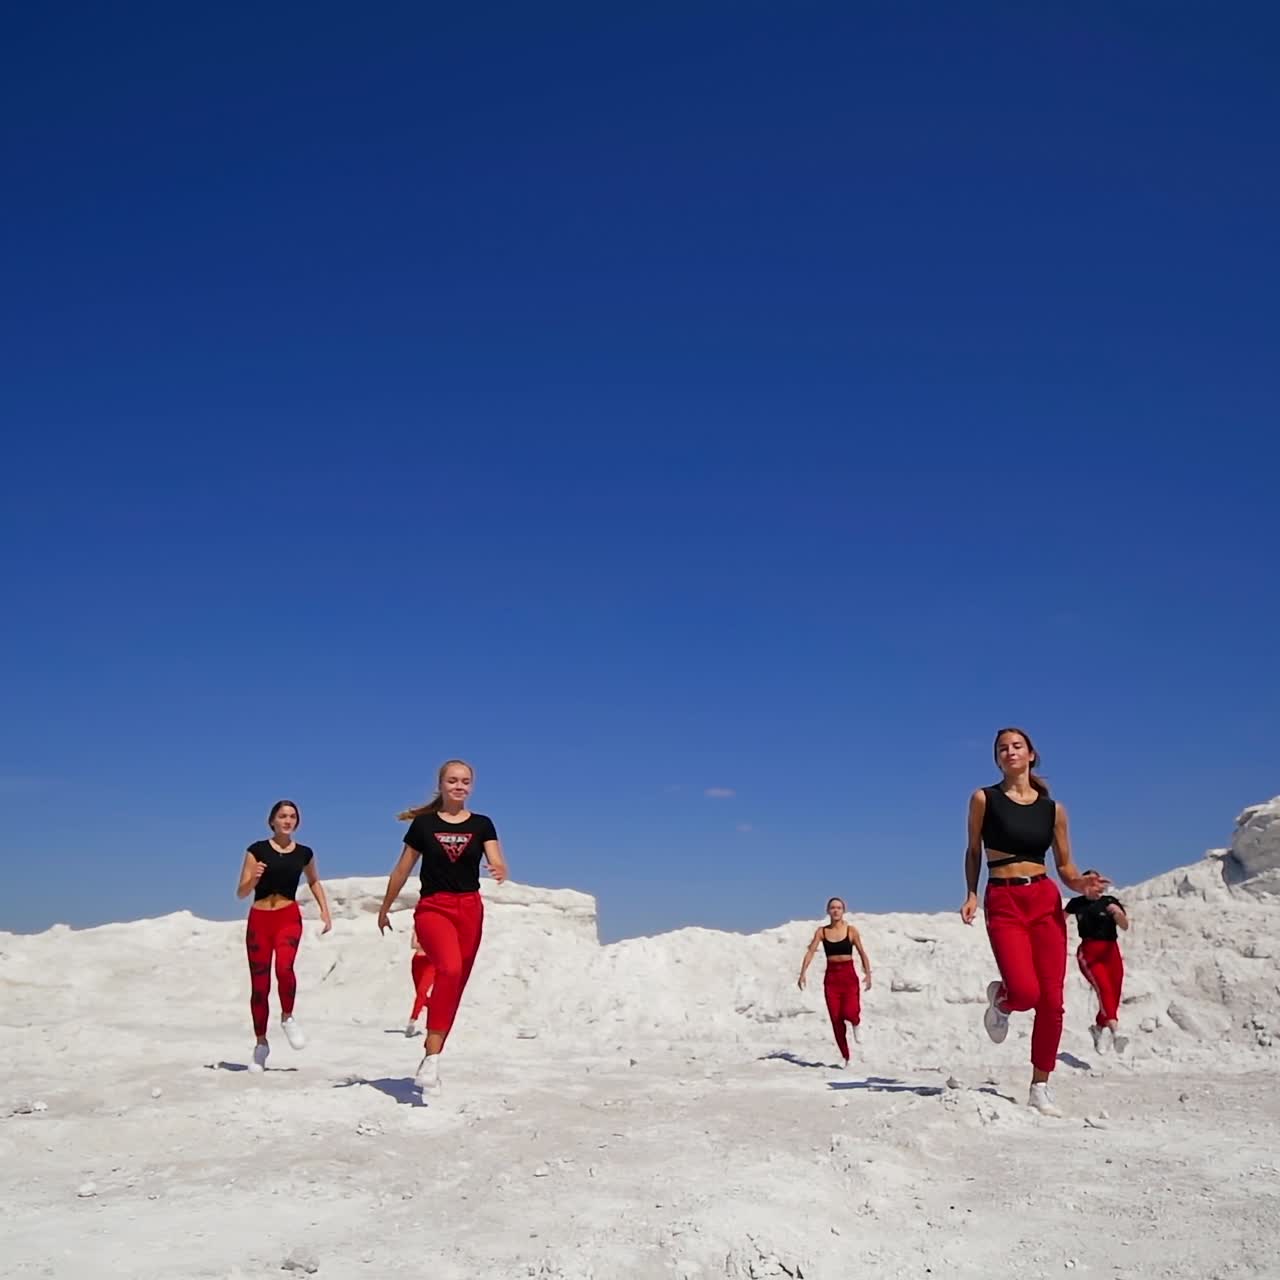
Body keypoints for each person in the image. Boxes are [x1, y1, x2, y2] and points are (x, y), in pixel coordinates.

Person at [959, 727, 1108, 1117]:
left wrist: (1082, 885)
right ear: (997, 758)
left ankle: (1040, 1085)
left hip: (1044, 898)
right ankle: (1003, 1001)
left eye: (1016, 746)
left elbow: (1066, 866)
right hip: (1004, 898)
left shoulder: (1053, 810)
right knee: (1025, 992)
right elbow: (973, 850)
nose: (1009, 752)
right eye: (1002, 748)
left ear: (1030, 755)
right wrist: (972, 893)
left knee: (1052, 1000)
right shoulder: (983, 799)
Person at [376, 760, 508, 1096]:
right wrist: (385, 906)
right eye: (453, 781)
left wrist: (497, 868)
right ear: (442, 784)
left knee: (455, 984)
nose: (459, 786)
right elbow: (402, 869)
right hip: (434, 908)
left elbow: (496, 857)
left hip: (470, 910)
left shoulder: (482, 824)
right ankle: (432, 1056)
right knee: (448, 969)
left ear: (471, 787)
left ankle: (431, 1057)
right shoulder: (423, 825)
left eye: (465, 781)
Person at [236, 800, 332, 1072]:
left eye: (292, 816)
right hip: (260, 918)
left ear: (296, 822)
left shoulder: (304, 853)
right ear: (272, 821)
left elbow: (313, 880)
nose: (287, 820)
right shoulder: (256, 850)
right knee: (260, 984)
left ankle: (288, 1017)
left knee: (285, 968)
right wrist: (253, 878)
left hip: (287, 917)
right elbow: (241, 892)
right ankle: (261, 1043)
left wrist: (325, 910)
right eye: (282, 816)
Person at [797, 897, 872, 1068]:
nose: (836, 910)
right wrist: (802, 973)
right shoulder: (821, 932)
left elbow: (862, 952)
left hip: (848, 975)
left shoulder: (851, 930)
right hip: (831, 978)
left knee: (849, 1011)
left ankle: (856, 1022)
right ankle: (846, 1057)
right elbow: (810, 952)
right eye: (832, 908)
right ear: (828, 911)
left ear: (843, 910)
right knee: (836, 1019)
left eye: (839, 907)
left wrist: (868, 973)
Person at [1066, 871, 1130, 1055]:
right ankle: (1116, 1031)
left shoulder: (1109, 901)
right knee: (1105, 989)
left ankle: (1099, 1028)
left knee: (1115, 991)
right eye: (1093, 882)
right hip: (1089, 952)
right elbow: (1058, 920)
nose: (1098, 885)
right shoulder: (1076, 903)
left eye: (1099, 882)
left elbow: (1125, 926)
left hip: (1111, 951)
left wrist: (1118, 914)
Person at [405, 934, 436, 1038]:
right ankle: (438, 1011)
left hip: (430, 963)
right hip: (417, 962)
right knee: (420, 994)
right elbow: (413, 945)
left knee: (421, 992)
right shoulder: (420, 923)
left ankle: (412, 1021)